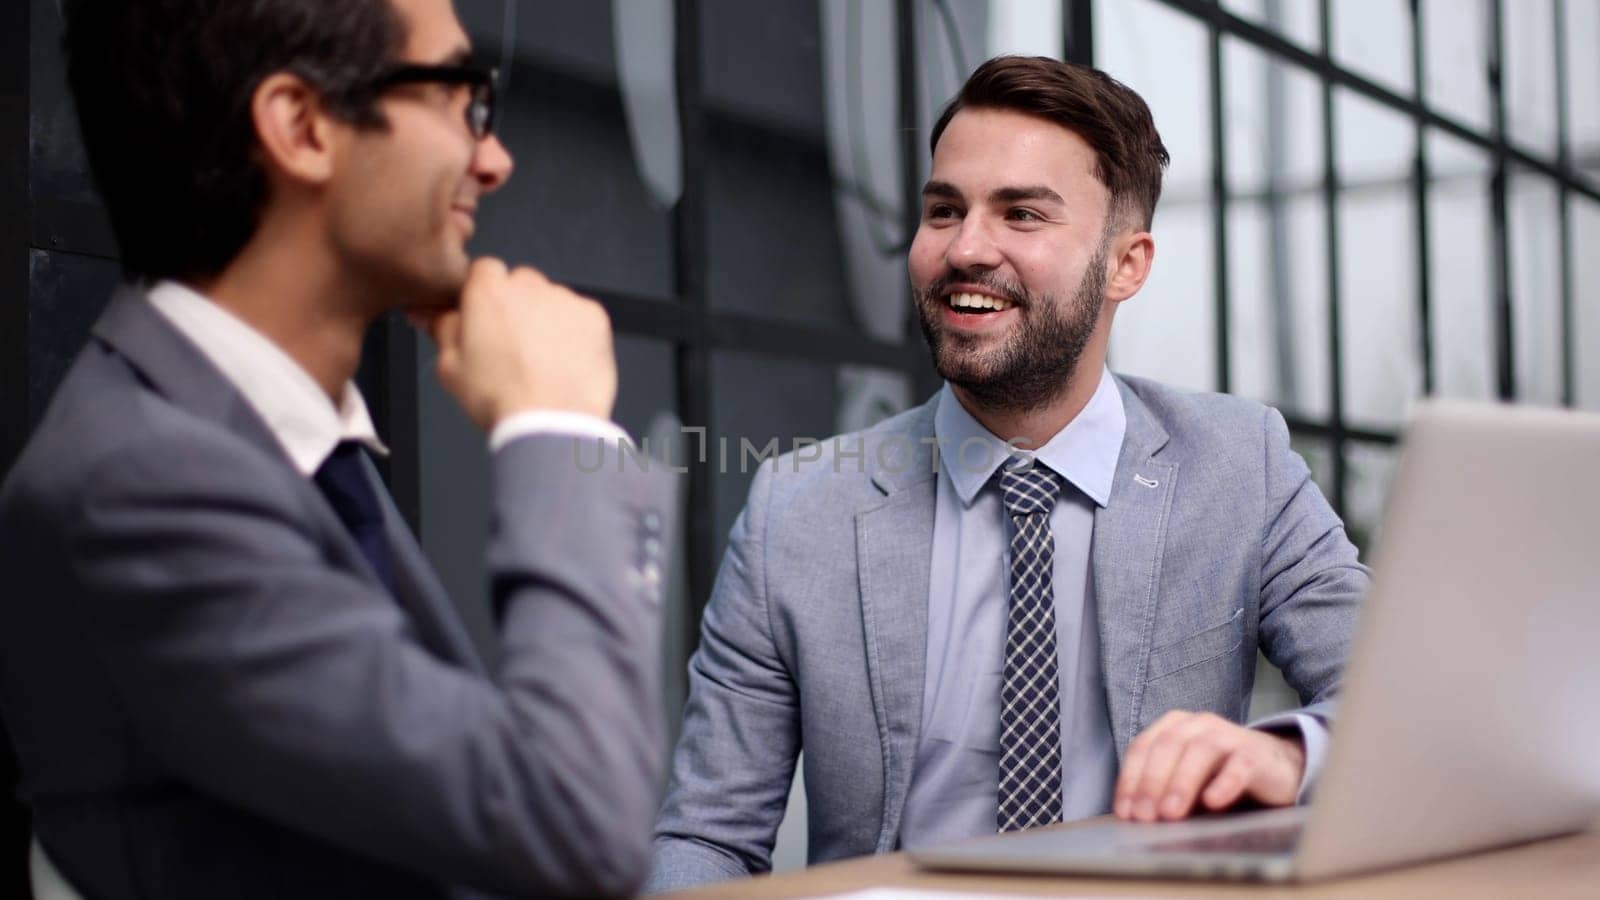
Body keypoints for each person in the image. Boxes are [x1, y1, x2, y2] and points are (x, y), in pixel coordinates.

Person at [0, 0, 675, 897]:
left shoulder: (260, 444)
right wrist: (557, 427)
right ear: (302, 126)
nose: (496, 159)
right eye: (457, 96)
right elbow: (577, 825)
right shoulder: (140, 483)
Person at [647, 55, 1367, 891]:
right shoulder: (796, 513)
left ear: (1126, 265)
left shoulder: (1243, 468)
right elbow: (709, 837)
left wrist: (1286, 753)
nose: (966, 249)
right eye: (943, 209)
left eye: (1022, 214)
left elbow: (1405, 708)